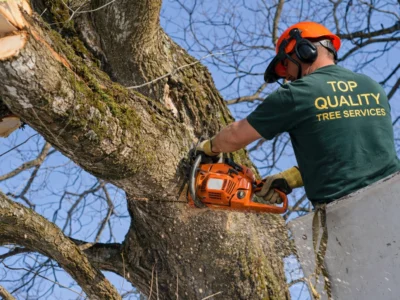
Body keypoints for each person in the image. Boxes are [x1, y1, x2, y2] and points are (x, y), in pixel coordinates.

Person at [197, 21, 400, 206]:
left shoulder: (298, 93)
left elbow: (235, 136)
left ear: (304, 51)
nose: (289, 77)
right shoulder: (372, 87)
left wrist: (207, 149)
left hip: (346, 212)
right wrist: (293, 177)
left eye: (286, 65)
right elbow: (359, 157)